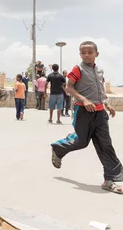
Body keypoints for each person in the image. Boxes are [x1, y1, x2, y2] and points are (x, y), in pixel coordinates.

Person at [51, 41, 123, 194]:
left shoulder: (99, 71)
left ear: (97, 53)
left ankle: (111, 179)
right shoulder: (78, 69)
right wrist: (83, 99)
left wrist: (106, 104)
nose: (86, 55)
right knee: (82, 142)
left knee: (105, 144)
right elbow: (69, 87)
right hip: (83, 112)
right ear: (80, 55)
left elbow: (99, 89)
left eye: (90, 52)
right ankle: (59, 147)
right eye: (83, 53)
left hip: (99, 113)